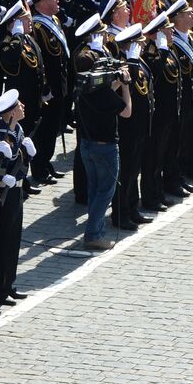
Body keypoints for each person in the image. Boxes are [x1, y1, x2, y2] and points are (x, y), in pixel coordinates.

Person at [73, 38, 131, 251]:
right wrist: (125, 87)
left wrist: (115, 82)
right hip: (105, 147)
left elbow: (104, 93)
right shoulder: (103, 94)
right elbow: (126, 111)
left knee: (94, 189)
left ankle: (94, 228)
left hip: (87, 146)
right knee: (105, 192)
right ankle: (93, 234)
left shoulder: (82, 88)